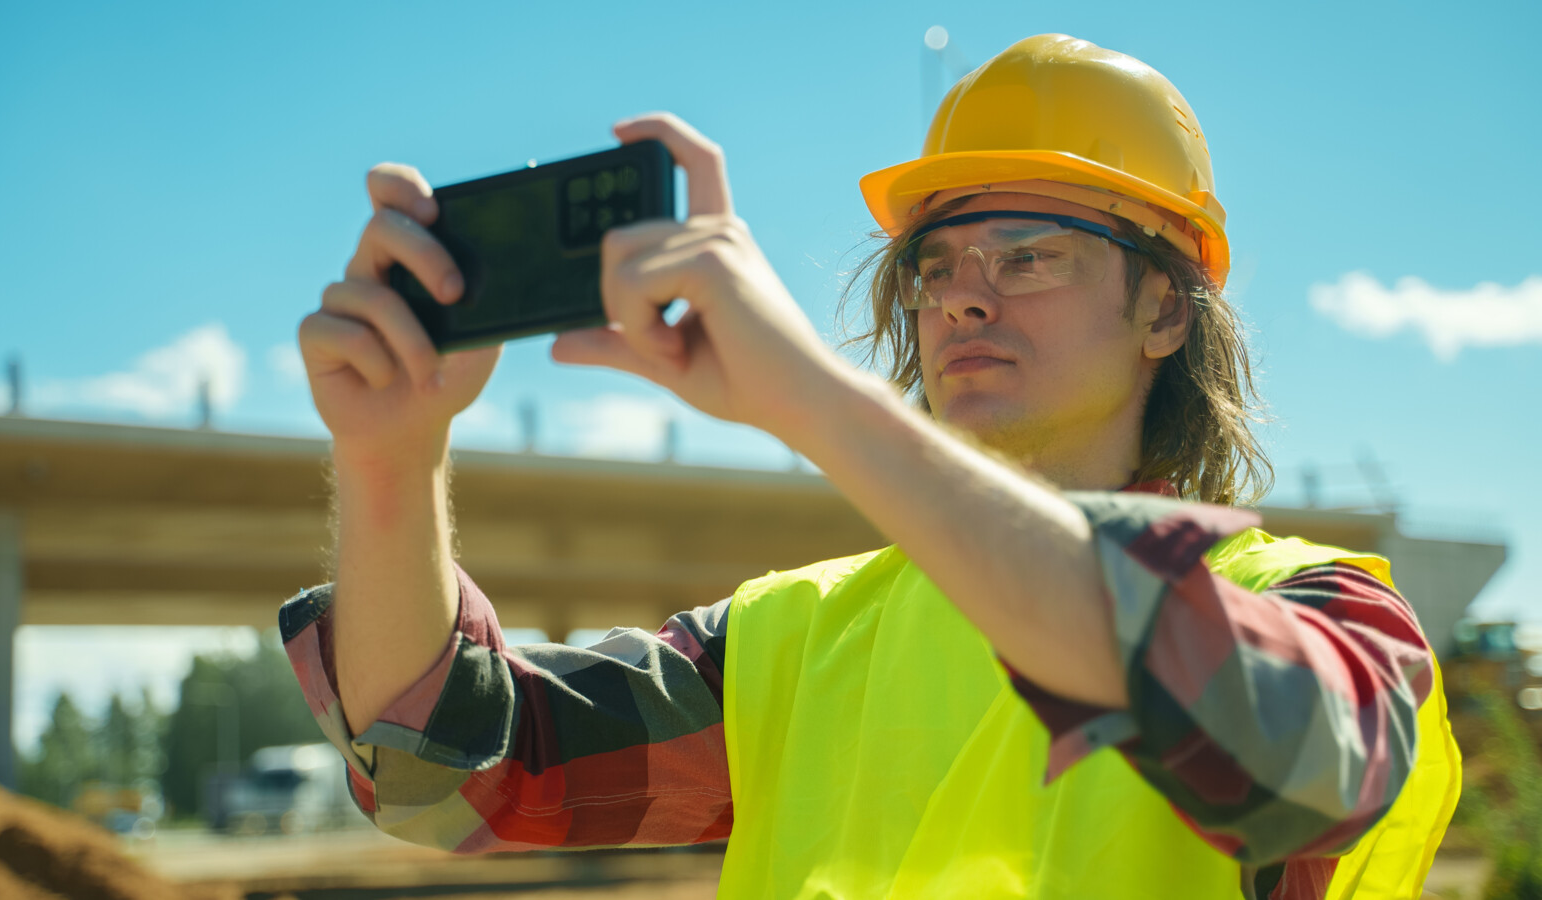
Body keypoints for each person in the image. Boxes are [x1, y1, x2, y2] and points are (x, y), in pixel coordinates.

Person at [281, 34, 1459, 899]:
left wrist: (811, 400)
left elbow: (1296, 764)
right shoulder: (794, 636)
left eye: (1029, 255)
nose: (963, 299)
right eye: (935, 270)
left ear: (1164, 310)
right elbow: (449, 780)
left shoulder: (1312, 601)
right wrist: (392, 459)